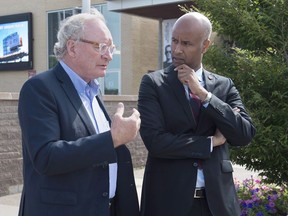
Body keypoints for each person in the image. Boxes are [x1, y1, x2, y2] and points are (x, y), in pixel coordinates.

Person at [18, 10, 141, 216]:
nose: (108, 55)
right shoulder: (39, 88)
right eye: (100, 46)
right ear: (72, 47)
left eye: (111, 48)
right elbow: (46, 157)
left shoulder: (93, 91)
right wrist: (112, 138)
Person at [138, 12, 256, 216]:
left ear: (205, 46)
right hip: (169, 202)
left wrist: (204, 95)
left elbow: (243, 134)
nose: (176, 49)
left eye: (186, 43)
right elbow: (156, 142)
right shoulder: (154, 84)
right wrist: (211, 142)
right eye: (174, 40)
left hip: (217, 204)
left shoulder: (223, 86)